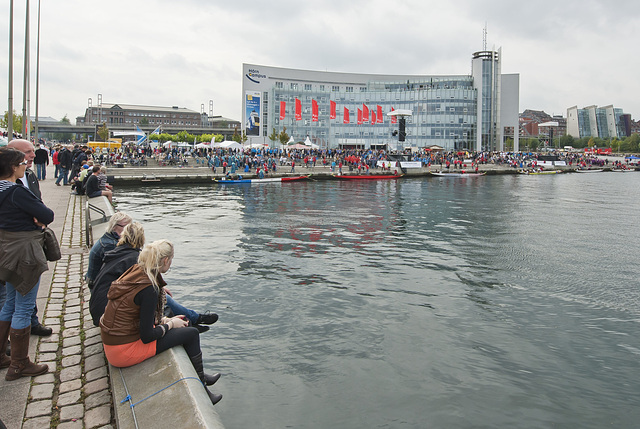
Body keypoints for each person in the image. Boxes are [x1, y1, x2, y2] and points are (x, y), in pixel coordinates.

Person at [100, 240, 222, 405]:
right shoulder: (150, 288)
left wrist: (166, 320)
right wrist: (170, 325)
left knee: (182, 325)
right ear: (165, 261)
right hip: (123, 350)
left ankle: (200, 375)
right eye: (171, 260)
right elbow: (147, 336)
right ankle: (203, 389)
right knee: (192, 333)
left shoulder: (137, 271)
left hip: (114, 341)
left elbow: (139, 316)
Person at [89, 222, 219, 331]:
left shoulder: (118, 252)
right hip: (106, 315)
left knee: (162, 296)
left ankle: (193, 320)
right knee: (162, 299)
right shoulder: (133, 259)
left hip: (99, 307)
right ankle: (192, 321)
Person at [0, 147, 54, 380]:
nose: (25, 166)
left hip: (5, 250)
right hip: (25, 252)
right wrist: (39, 221)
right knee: (23, 305)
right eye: (22, 163)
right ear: (13, 167)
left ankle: (2, 355)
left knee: (10, 302)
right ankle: (19, 364)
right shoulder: (15, 191)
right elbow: (47, 214)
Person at [5, 139, 52, 337]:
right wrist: (40, 216)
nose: (32, 156)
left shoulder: (30, 176)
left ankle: (31, 323)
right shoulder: (12, 189)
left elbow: (38, 204)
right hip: (18, 247)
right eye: (28, 153)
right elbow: (47, 213)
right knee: (16, 300)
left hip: (25, 241)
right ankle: (18, 359)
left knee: (14, 299)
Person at [85, 212, 132, 287]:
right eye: (125, 226)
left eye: (130, 226)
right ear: (114, 226)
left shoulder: (109, 237)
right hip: (98, 285)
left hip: (96, 280)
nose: (129, 229)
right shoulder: (110, 245)